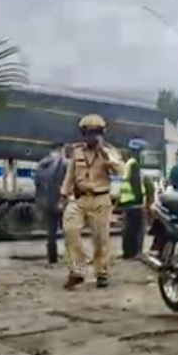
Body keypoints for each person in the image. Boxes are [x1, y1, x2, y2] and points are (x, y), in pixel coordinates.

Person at [61, 114, 124, 289]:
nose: (91, 137)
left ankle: (101, 272)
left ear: (101, 134)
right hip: (80, 198)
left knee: (101, 238)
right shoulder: (77, 151)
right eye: (88, 133)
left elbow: (120, 170)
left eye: (95, 133)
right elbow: (71, 174)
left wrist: (104, 153)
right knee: (70, 230)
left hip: (101, 198)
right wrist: (64, 192)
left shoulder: (109, 151)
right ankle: (77, 270)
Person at [35, 143, 72, 264]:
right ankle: (70, 257)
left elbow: (37, 183)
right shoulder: (64, 163)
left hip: (46, 202)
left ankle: (52, 258)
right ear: (60, 149)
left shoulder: (42, 164)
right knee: (68, 230)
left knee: (51, 233)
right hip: (61, 201)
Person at [119, 138, 148, 260]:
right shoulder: (134, 164)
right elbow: (135, 184)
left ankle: (128, 252)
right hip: (134, 201)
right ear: (138, 152)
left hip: (128, 201)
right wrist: (140, 200)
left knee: (129, 228)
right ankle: (132, 253)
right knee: (134, 229)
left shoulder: (129, 163)